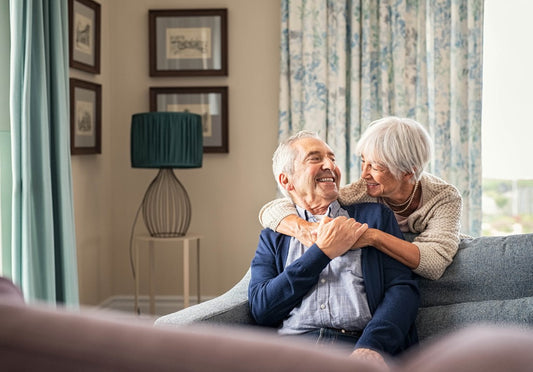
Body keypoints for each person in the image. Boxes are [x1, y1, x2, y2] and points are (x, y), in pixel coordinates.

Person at [248, 131, 419, 367]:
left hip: (356, 346)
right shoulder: (274, 235)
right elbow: (262, 308)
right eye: (315, 159)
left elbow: (402, 290)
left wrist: (372, 346)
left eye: (332, 159)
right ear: (287, 180)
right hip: (293, 351)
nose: (330, 165)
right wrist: (322, 253)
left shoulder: (374, 218)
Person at [258, 117, 463, 280]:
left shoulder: (444, 198)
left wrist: (373, 237)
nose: (364, 174)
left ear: (408, 172)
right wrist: (304, 228)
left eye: (375, 166)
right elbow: (275, 209)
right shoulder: (362, 190)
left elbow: (434, 264)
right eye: (363, 162)